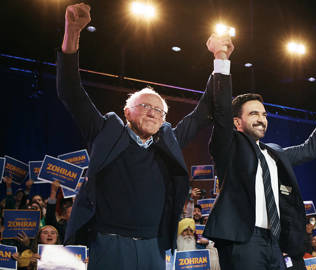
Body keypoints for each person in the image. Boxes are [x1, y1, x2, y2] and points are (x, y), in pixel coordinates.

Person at [57, 3, 216, 269]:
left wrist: (219, 59)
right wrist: (72, 32)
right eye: (145, 106)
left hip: (152, 247)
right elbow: (71, 91)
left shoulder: (169, 142)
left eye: (159, 110)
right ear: (127, 112)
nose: (153, 113)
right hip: (109, 245)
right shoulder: (105, 131)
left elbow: (201, 113)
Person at [201, 33, 316, 270]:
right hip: (242, 240)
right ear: (236, 123)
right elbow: (221, 110)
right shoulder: (229, 146)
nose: (261, 119)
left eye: (264, 114)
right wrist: (221, 58)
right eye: (253, 114)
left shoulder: (274, 152)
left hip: (274, 242)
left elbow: (309, 149)